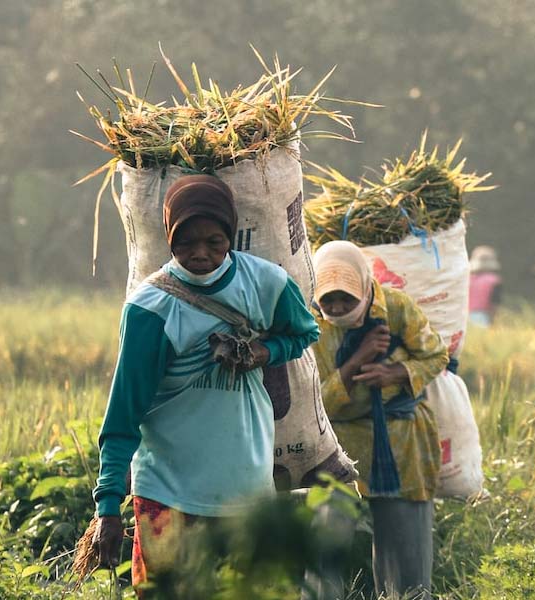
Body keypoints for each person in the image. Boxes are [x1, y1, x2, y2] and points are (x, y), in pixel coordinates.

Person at [90, 174, 319, 592]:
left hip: (246, 495)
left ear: (230, 236)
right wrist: (107, 505)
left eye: (214, 242)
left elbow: (304, 332)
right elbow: (123, 412)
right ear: (168, 238)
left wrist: (262, 353)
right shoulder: (151, 308)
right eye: (186, 242)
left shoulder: (266, 284)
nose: (200, 254)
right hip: (167, 494)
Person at [308, 240, 448, 600]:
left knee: (405, 550)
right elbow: (320, 403)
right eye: (328, 300)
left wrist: (397, 372)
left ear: (366, 288)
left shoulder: (397, 309)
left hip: (400, 444)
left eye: (347, 299)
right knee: (324, 544)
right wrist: (357, 362)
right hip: (338, 448)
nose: (337, 308)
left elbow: (435, 356)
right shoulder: (311, 327)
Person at [468, 245, 502, 327]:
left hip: (464, 316)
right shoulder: (494, 280)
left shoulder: (467, 279)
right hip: (483, 316)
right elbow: (495, 303)